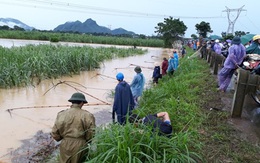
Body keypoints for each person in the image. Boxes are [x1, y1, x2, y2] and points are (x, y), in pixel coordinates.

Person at [51, 92, 96, 163]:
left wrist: (61, 139)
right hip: (80, 144)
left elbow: (54, 132)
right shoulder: (88, 115)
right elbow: (91, 132)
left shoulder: (61, 114)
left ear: (72, 102)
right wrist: (87, 141)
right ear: (81, 103)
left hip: (65, 144)